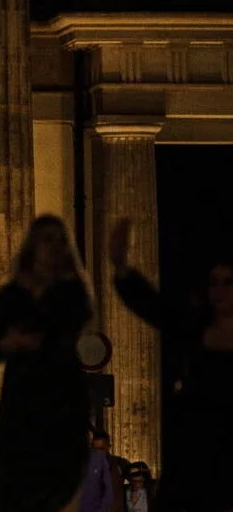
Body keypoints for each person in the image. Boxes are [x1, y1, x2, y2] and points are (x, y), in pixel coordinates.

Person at [108, 218, 233, 511]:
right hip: (196, 446)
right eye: (214, 282)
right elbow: (153, 307)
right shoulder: (195, 328)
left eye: (229, 282)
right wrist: (122, 268)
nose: (219, 290)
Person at [0, 216, 94, 512]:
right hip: (22, 411)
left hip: (63, 408)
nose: (55, 246)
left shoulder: (72, 293)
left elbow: (64, 329)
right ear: (33, 247)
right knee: (12, 497)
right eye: (47, 239)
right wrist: (8, 344)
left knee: (54, 492)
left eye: (61, 239)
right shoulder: (12, 296)